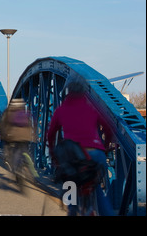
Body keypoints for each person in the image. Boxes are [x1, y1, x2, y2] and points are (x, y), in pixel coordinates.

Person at [47, 79, 115, 216]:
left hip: (74, 156)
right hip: (96, 154)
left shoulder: (61, 110)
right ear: (84, 93)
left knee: (71, 187)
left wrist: (54, 155)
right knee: (96, 189)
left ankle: (73, 212)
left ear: (68, 93)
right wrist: (105, 147)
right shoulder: (92, 108)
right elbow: (108, 128)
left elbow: (50, 134)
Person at [0, 98, 38, 190]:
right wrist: (34, 136)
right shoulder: (25, 112)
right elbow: (33, 123)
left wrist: (3, 136)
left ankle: (16, 171)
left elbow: (3, 125)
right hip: (26, 136)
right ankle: (32, 171)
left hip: (13, 136)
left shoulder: (8, 112)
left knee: (15, 155)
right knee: (25, 152)